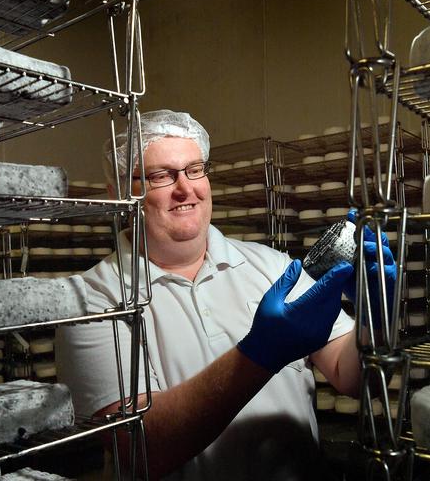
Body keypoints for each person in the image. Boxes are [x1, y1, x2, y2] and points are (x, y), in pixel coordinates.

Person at [55, 109, 395, 481]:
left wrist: (373, 322)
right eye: (161, 176)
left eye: (195, 169)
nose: (185, 188)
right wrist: (259, 354)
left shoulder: (274, 267)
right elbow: (141, 449)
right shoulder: (89, 301)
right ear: (121, 194)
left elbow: (349, 376)